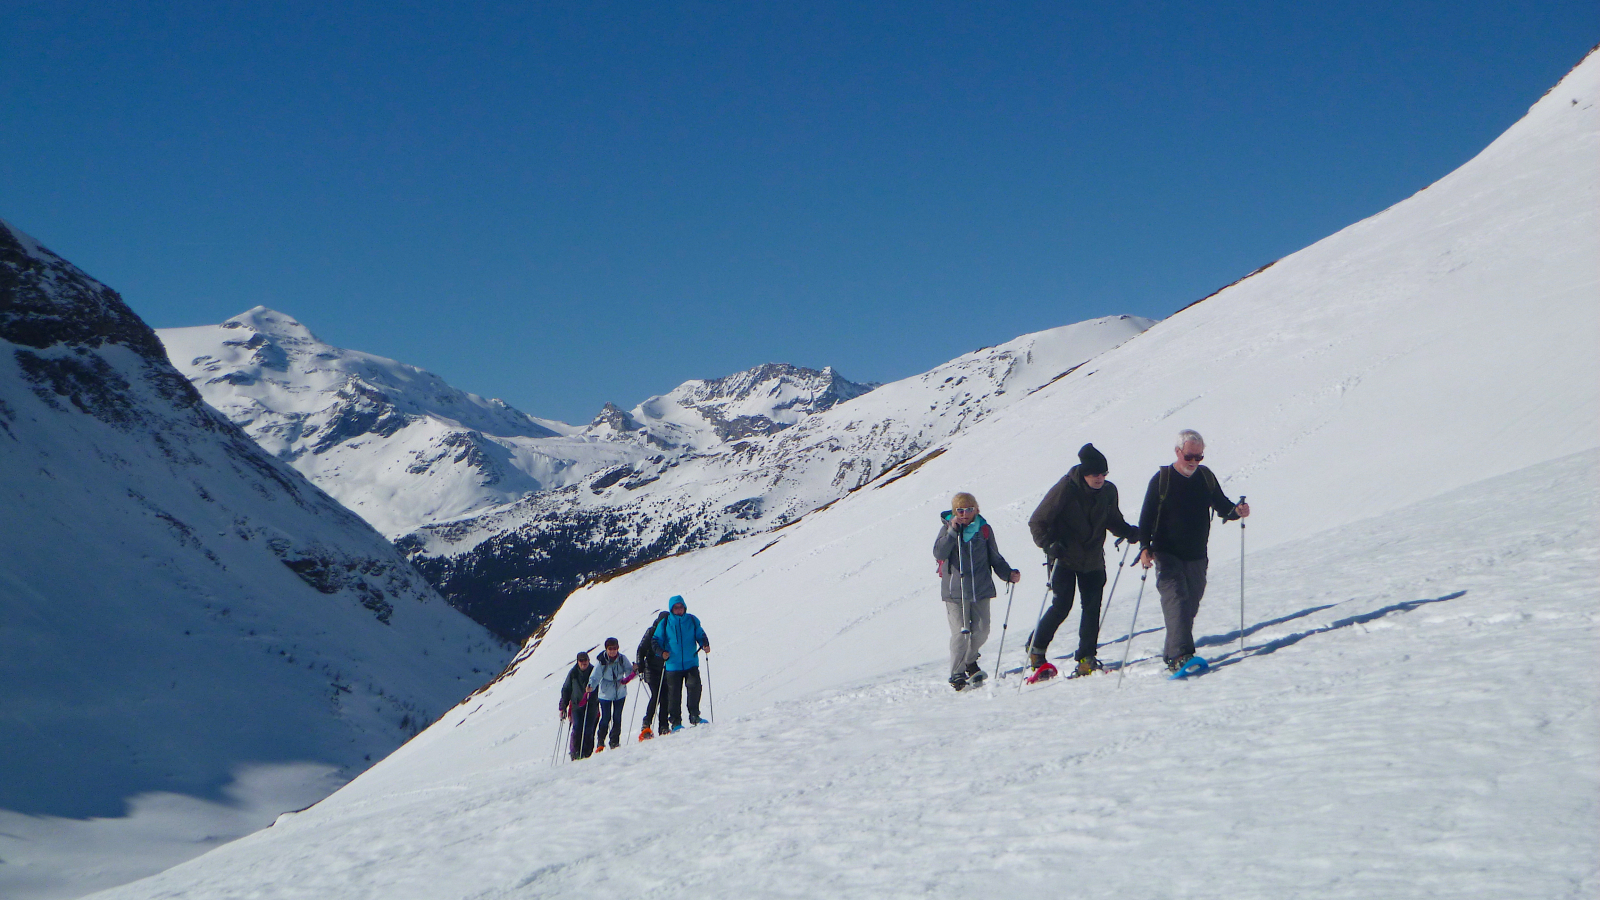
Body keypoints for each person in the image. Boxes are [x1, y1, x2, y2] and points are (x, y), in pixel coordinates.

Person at [1137, 429, 1251, 671]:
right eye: (1190, 456)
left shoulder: (1205, 477)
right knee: (1176, 601)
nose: (1194, 462)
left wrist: (1236, 511)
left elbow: (1222, 506)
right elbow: (1146, 518)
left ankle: (1172, 653)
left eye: (1199, 457)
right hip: (1167, 553)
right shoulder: (1162, 480)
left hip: (1197, 554)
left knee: (1190, 606)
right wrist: (1145, 548)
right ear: (1178, 452)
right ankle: (1182, 656)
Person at [1026, 443, 1140, 677]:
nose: (1100, 478)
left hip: (1093, 558)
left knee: (1091, 607)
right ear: (1084, 472)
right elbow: (1037, 521)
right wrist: (1048, 544)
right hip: (1063, 557)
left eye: (1103, 473)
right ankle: (1036, 647)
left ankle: (1087, 657)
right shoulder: (1066, 488)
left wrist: (1129, 532)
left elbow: (1113, 520)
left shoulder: (1108, 491)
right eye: (1095, 474)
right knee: (1062, 605)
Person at [933, 492, 1021, 690]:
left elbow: (994, 557)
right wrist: (952, 533)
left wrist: (1008, 574)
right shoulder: (947, 529)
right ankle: (957, 674)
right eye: (960, 510)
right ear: (955, 512)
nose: (964, 514)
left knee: (982, 631)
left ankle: (970, 661)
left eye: (969, 510)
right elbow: (939, 552)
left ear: (976, 510)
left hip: (980, 589)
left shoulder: (984, 530)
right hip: (955, 592)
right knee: (960, 634)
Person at [652, 596, 710, 730]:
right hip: (673, 665)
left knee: (695, 687)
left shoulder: (692, 620)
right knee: (674, 694)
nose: (679, 610)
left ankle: (694, 715)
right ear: (672, 609)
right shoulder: (665, 623)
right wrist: (661, 653)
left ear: (684, 607)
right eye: (676, 607)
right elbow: (655, 641)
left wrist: (705, 644)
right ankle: (676, 722)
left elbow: (700, 634)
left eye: (681, 607)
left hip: (691, 662)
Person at [589, 637, 634, 752]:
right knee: (606, 717)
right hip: (605, 694)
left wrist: (632, 674)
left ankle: (614, 741)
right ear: (606, 649)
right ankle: (600, 741)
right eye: (610, 649)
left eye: (614, 648)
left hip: (620, 692)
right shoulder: (602, 662)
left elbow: (629, 671)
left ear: (618, 648)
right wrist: (591, 685)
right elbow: (595, 676)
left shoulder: (622, 659)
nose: (612, 651)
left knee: (617, 717)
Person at [634, 610, 671, 741]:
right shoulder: (652, 631)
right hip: (651, 669)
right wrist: (641, 666)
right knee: (657, 696)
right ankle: (649, 724)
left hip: (664, 670)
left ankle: (662, 725)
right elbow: (641, 649)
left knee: (664, 698)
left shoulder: (668, 632)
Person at [558, 650, 599, 760]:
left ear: (588, 661)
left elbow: (600, 686)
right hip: (577, 706)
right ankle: (575, 753)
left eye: (585, 660)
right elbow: (566, 689)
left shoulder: (594, 671)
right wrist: (563, 706)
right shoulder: (573, 673)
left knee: (589, 729)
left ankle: (587, 753)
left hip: (591, 705)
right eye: (581, 661)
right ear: (577, 662)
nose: (583, 663)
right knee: (577, 728)